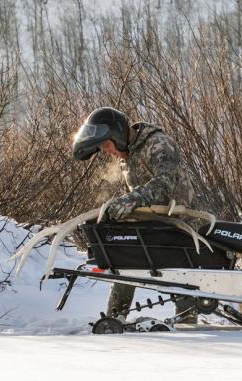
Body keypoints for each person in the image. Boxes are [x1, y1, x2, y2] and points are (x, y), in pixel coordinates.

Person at [72, 107, 199, 323]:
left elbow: (167, 181)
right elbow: (140, 191)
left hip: (181, 225)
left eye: (107, 144)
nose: (107, 151)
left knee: (180, 272)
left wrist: (133, 199)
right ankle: (115, 318)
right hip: (155, 224)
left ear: (118, 134)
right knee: (125, 255)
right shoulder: (127, 156)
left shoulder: (158, 143)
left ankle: (187, 323)